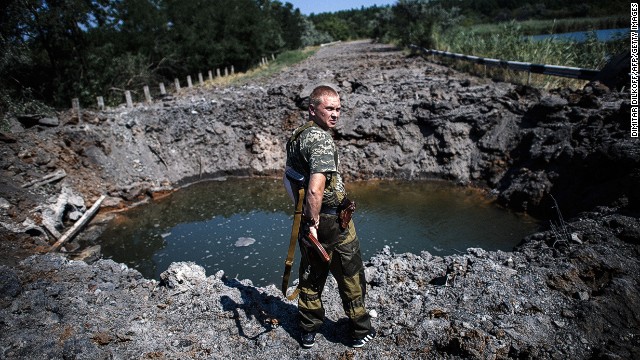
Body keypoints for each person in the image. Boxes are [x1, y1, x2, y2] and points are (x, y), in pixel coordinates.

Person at [284, 85, 376, 349]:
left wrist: (303, 216)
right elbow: (315, 188)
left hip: (308, 216)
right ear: (312, 109)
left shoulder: (297, 135)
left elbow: (288, 176)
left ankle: (308, 329)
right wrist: (315, 224)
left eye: (338, 109)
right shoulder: (321, 141)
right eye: (329, 109)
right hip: (333, 222)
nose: (335, 114)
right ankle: (360, 329)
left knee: (312, 274)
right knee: (350, 273)